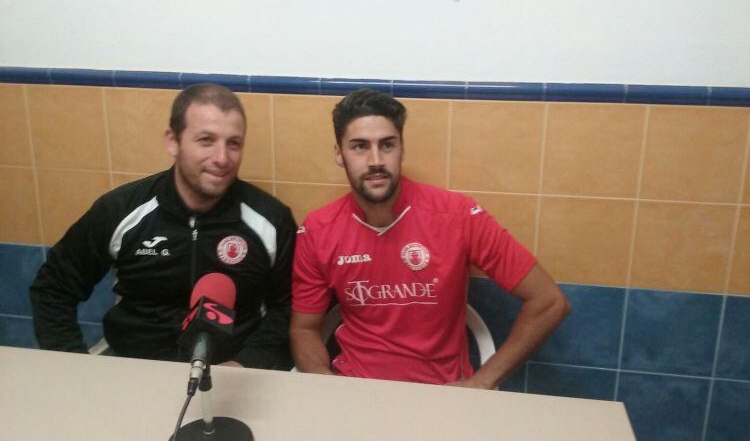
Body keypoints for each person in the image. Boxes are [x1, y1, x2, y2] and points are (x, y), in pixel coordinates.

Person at [290, 89, 570, 388]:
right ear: (339, 153)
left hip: (441, 395)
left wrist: (483, 381)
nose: (375, 160)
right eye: (359, 146)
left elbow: (549, 302)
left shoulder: (459, 216)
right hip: (357, 391)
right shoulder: (318, 229)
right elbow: (304, 329)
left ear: (402, 149)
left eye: (387, 145)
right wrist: (324, 384)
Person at [29, 83, 296, 369]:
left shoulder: (270, 220)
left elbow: (289, 310)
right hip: (134, 368)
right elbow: (53, 289)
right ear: (173, 141)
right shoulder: (121, 210)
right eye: (206, 140)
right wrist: (73, 365)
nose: (222, 158)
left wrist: (246, 364)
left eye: (234, 143)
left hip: (235, 375)